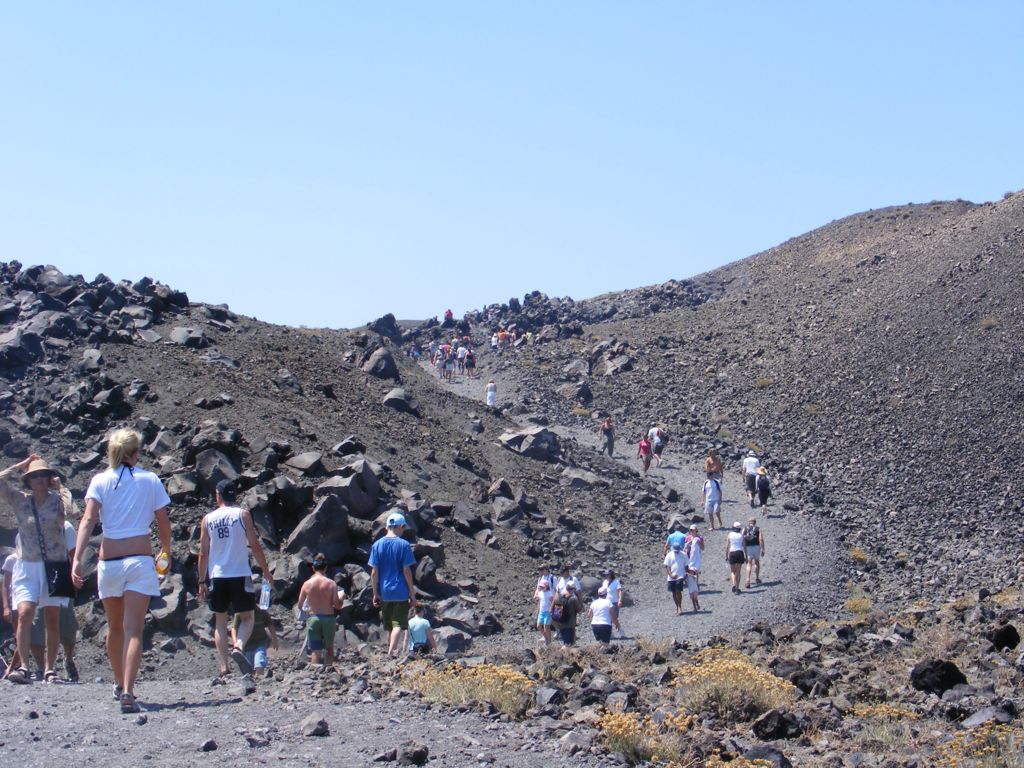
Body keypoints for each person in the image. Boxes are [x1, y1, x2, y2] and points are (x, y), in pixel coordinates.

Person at [73, 429, 171, 713]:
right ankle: (129, 690)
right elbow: (162, 521)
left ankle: (118, 683)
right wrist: (166, 550)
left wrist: (78, 558)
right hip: (139, 560)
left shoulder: (100, 480)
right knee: (134, 629)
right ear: (136, 452)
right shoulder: (150, 480)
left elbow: (88, 519)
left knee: (114, 628)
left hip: (109, 562)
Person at [1, 455, 73, 685]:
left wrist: (61, 487)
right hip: (27, 565)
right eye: (35, 476)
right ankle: (24, 667)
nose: (40, 479)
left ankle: (50, 670)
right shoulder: (20, 500)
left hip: (56, 565)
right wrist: (19, 466)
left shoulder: (57, 501)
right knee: (23, 613)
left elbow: (73, 511)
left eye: (44, 475)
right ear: (28, 480)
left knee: (52, 618)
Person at [197, 479, 271, 689]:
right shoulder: (242, 515)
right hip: (240, 573)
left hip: (217, 575)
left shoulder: (208, 519)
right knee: (247, 617)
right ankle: (238, 646)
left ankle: (223, 667)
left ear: (218, 496)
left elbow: (203, 552)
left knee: (220, 622)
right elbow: (254, 545)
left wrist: (202, 580)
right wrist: (265, 570)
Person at [369, 512, 417, 657]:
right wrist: (412, 593)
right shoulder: (403, 545)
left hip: (384, 591)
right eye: (403, 528)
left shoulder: (377, 545)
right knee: (398, 625)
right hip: (400, 590)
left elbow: (373, 572)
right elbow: (406, 571)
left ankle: (389, 649)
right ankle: (390, 653)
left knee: (389, 625)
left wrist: (375, 593)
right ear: (400, 527)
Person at [297, 554, 344, 665]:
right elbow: (337, 606)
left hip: (313, 618)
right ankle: (328, 672)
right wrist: (341, 598)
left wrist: (310, 609)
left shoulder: (307, 584)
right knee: (329, 649)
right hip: (328, 619)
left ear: (313, 568)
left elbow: (300, 605)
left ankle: (315, 676)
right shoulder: (331, 584)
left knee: (315, 651)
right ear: (325, 568)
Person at [230, 572, 278, 679]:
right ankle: (252, 681)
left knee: (259, 662)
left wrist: (274, 638)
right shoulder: (240, 613)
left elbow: (270, 625)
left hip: (260, 642)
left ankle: (260, 678)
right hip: (246, 646)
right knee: (248, 667)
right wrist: (235, 643)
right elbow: (234, 628)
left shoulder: (262, 612)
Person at [663, 543, 690, 616]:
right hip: (671, 577)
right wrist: (671, 575)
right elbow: (667, 566)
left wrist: (686, 574)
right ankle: (677, 606)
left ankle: (679, 607)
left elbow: (686, 565)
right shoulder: (669, 555)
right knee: (674, 592)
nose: (676, 551)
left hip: (680, 575)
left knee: (678, 591)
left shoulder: (683, 554)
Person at [601, 569, 625, 639]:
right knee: (607, 618)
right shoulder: (605, 582)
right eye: (606, 574)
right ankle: (610, 633)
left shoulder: (616, 582)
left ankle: (620, 631)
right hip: (606, 602)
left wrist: (620, 600)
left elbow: (620, 591)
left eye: (607, 574)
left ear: (611, 575)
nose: (606, 575)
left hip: (614, 602)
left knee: (614, 618)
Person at [725, 522, 747, 594]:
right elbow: (744, 546)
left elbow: (727, 546)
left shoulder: (730, 534)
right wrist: (746, 556)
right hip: (740, 553)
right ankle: (737, 588)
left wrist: (726, 556)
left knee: (732, 571)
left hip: (732, 553)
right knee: (738, 571)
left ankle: (734, 584)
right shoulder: (741, 535)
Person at [743, 517, 765, 589]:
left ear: (749, 522)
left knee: (749, 563)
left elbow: (742, 538)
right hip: (756, 547)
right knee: (756, 562)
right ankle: (757, 578)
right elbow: (760, 539)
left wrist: (743, 548)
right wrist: (762, 549)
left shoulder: (745, 529)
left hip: (748, 547)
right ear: (755, 522)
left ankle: (747, 580)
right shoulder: (758, 529)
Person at [683, 528, 702, 612]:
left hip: (692, 575)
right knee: (693, 595)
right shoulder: (689, 540)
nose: (691, 532)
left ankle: (695, 607)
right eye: (690, 530)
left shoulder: (697, 539)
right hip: (691, 572)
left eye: (693, 530)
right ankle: (696, 606)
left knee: (693, 594)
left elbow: (701, 547)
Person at [533, 576, 555, 646]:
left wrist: (552, 611)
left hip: (548, 612)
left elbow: (552, 602)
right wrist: (535, 596)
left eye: (543, 587)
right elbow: (536, 599)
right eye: (541, 587)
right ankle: (546, 638)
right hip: (541, 612)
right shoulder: (540, 593)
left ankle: (549, 641)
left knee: (546, 626)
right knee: (539, 626)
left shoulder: (549, 593)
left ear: (546, 586)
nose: (541, 588)